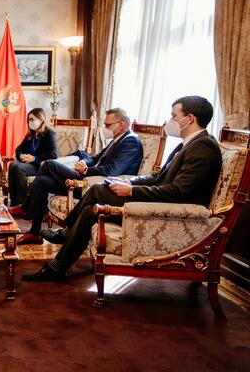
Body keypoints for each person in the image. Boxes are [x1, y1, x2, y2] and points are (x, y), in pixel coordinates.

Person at [22, 96, 222, 282]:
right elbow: (157, 177)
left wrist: (132, 191)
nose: (170, 120)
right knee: (90, 209)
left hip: (169, 211)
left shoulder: (203, 147)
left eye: (174, 115)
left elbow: (178, 192)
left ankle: (65, 237)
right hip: (157, 200)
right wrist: (130, 183)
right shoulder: (186, 145)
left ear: (190, 118)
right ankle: (58, 267)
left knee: (97, 190)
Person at [13, 108, 143, 245]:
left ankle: (26, 207)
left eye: (108, 125)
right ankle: (34, 233)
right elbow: (95, 158)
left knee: (49, 164)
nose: (105, 128)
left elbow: (112, 170)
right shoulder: (116, 140)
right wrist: (84, 162)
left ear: (121, 124)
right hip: (88, 178)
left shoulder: (131, 142)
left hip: (93, 186)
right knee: (41, 181)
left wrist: (86, 170)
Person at [8, 107, 58, 207]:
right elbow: (18, 149)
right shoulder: (31, 135)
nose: (30, 122)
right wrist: (21, 156)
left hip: (41, 165)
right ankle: (14, 203)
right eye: (28, 120)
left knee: (18, 168)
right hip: (30, 164)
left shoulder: (49, 133)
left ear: (40, 119)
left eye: (32, 119)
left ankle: (22, 205)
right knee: (12, 165)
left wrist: (35, 158)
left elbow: (53, 154)